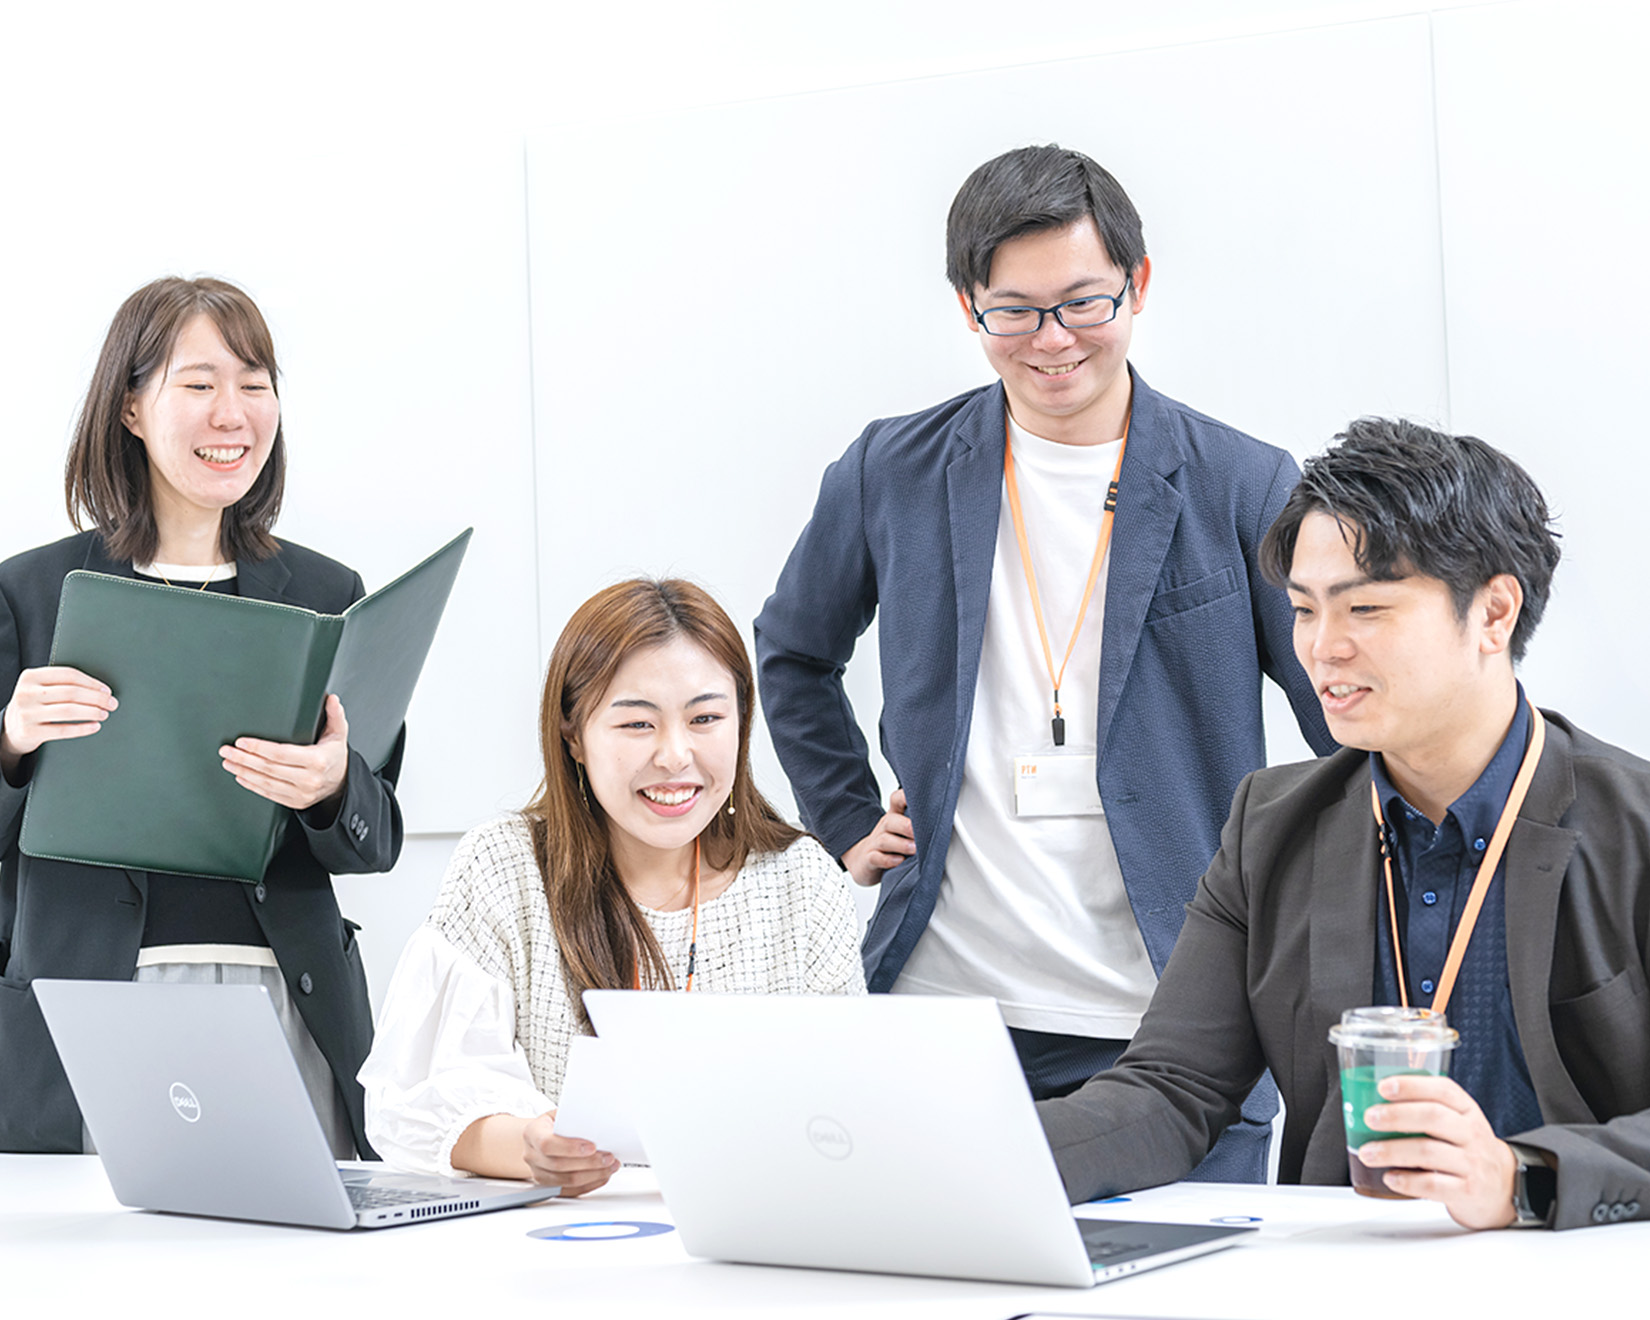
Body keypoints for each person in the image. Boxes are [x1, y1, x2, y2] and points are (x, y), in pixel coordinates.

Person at [754, 143, 1333, 1180]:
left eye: (1082, 303)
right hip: (942, 1016)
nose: (1052, 340)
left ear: (1137, 284)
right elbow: (794, 653)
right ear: (968, 308)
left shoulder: (1244, 483)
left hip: (1176, 1032)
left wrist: (1313, 900)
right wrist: (844, 819)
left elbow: (1343, 709)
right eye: (1013, 312)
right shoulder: (893, 470)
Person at [1038, 417, 1650, 1230]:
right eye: (1303, 610)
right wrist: (983, 1152)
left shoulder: (1633, 826)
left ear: (1494, 613)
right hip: (1343, 1268)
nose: (1321, 649)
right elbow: (1173, 1088)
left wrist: (1522, 1175)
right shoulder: (1270, 826)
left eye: (1364, 607)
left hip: (1587, 1267)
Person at [0, 276, 404, 1156]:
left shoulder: (327, 593)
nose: (234, 413)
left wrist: (334, 788)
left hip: (285, 1003)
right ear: (131, 408)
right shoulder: (28, 592)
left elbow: (375, 840)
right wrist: (11, 742)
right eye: (199, 383)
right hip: (88, 1012)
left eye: (255, 384)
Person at [361, 578, 865, 1194]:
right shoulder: (505, 867)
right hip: (560, 1239)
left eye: (706, 718)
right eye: (637, 724)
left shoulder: (801, 880)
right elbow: (414, 1101)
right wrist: (531, 1149)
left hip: (761, 1225)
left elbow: (848, 1107)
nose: (675, 755)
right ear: (574, 735)